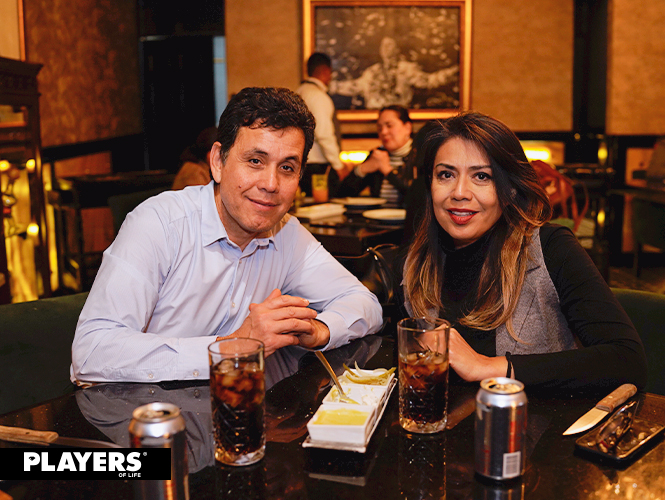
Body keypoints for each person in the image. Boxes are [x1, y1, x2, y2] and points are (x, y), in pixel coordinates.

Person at [71, 87, 383, 384]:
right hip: (145, 412)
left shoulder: (287, 234)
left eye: (287, 168)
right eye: (255, 161)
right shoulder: (160, 224)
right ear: (218, 161)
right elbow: (91, 352)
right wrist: (232, 347)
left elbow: (365, 304)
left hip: (240, 406)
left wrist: (320, 330)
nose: (271, 184)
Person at [401, 111, 647, 391]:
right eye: (446, 175)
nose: (459, 192)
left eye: (481, 176)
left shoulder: (551, 249)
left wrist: (487, 366)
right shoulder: (417, 261)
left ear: (510, 190)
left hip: (537, 417)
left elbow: (628, 360)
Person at [330, 36, 459, 110]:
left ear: (397, 49)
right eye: (383, 46)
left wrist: (453, 72)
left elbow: (429, 81)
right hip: (374, 120)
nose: (386, 49)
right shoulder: (372, 72)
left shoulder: (406, 69)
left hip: (398, 120)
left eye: (389, 45)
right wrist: (330, 86)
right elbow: (354, 86)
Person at [337, 105, 415, 205]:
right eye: (379, 128)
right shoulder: (377, 154)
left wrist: (388, 172)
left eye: (389, 126)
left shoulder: (420, 154)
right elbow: (341, 195)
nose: (383, 132)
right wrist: (361, 170)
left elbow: (417, 196)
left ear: (407, 128)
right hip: (378, 213)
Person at [296, 52, 345, 198]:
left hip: (301, 163)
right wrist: (338, 165)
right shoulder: (318, 96)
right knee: (323, 205)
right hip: (317, 166)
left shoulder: (299, 92)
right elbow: (324, 134)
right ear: (326, 71)